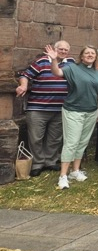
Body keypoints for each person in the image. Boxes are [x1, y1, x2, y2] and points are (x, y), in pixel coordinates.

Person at [44, 44, 98, 190]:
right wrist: (54, 59)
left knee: (82, 142)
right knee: (71, 142)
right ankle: (63, 176)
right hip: (73, 110)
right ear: (81, 56)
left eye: (93, 53)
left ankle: (75, 171)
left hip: (91, 111)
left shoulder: (97, 71)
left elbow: (97, 93)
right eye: (87, 53)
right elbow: (57, 72)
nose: (90, 55)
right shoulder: (72, 68)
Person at [16, 40, 73, 176]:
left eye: (66, 49)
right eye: (60, 49)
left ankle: (50, 161)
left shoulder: (71, 63)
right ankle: (37, 163)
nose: (63, 51)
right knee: (36, 138)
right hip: (38, 108)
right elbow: (25, 75)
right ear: (55, 49)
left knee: (55, 138)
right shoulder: (42, 62)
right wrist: (23, 85)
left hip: (60, 108)